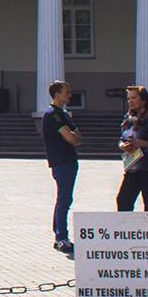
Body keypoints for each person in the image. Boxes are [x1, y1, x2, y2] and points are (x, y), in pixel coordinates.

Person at [41, 80, 81, 253]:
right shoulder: (53, 115)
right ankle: (61, 237)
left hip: (69, 161)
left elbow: (78, 137)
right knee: (64, 199)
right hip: (61, 161)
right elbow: (72, 138)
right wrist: (73, 137)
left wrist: (73, 137)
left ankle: (59, 235)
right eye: (66, 92)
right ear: (57, 94)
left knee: (65, 198)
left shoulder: (64, 114)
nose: (70, 95)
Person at [116, 85, 148, 212]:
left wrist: (145, 143)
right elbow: (121, 138)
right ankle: (126, 225)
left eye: (133, 98)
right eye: (128, 98)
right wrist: (123, 146)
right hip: (132, 166)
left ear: (143, 100)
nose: (130, 101)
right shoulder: (128, 118)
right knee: (123, 201)